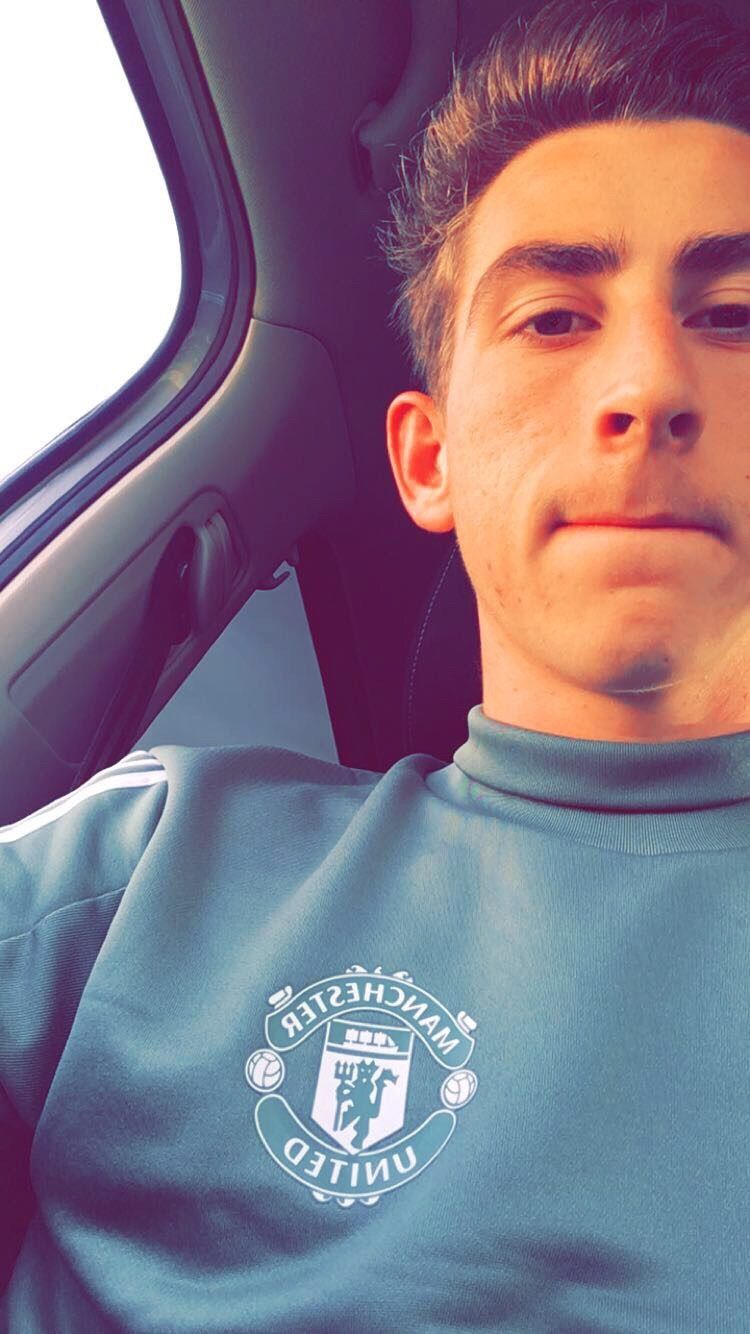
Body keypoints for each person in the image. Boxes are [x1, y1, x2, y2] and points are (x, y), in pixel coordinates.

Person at [3, 0, 750, 1328]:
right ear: (427, 458)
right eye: (552, 319)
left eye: (737, 315)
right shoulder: (145, 866)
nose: (646, 384)